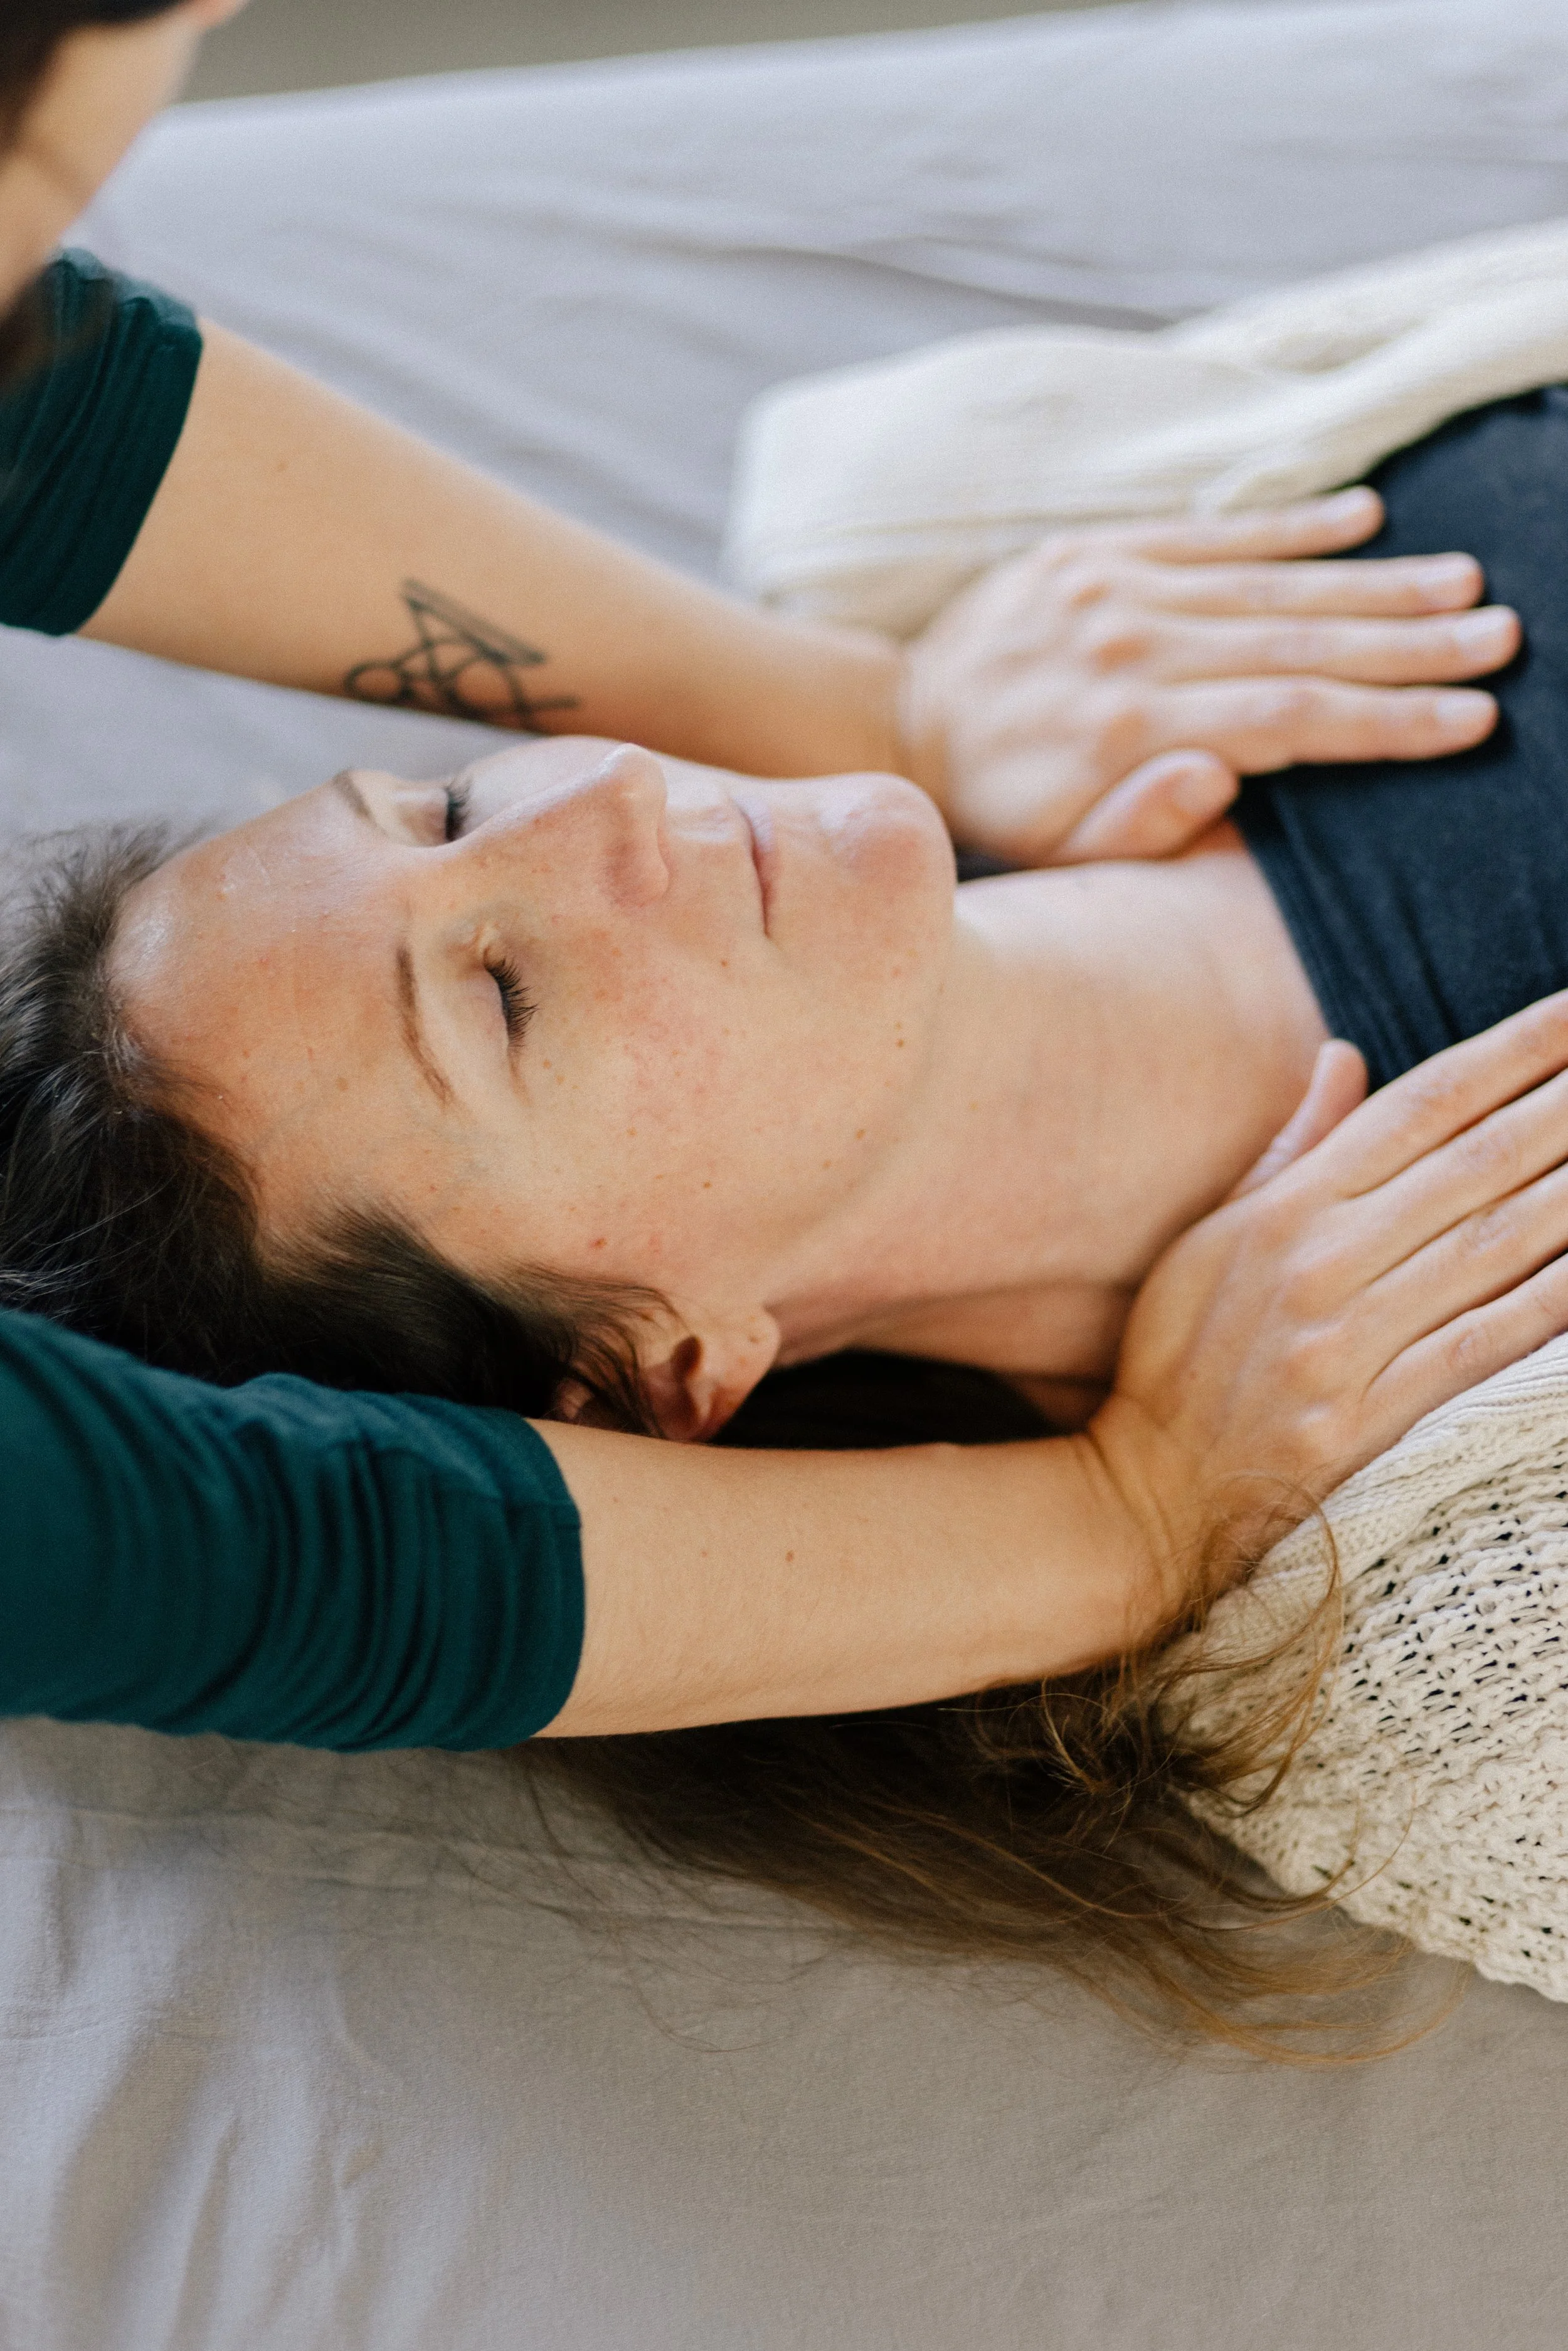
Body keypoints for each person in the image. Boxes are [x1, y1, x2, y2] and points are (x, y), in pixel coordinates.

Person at [0, 0, 1560, 2032]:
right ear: (658, 1373)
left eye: (448, 800)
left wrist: (883, 703)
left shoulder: (1022, 525)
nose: (605, 794)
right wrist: (1137, 1522)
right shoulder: (1444, 1622)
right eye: (501, 990)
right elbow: (248, 1557)